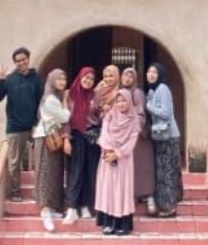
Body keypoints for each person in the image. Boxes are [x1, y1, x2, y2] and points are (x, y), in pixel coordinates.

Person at [0, 46, 44, 201]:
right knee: (14, 163)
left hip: (34, 127)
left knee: (40, 162)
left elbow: (41, 101)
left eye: (23, 59)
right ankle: (15, 192)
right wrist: (0, 81)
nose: (21, 63)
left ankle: (40, 192)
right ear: (15, 63)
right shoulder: (9, 79)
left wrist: (38, 122)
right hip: (15, 128)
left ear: (28, 59)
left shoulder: (36, 79)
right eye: (18, 61)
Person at [95, 88, 141, 236]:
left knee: (122, 189)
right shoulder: (109, 116)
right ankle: (109, 223)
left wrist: (118, 154)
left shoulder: (133, 120)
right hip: (107, 157)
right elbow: (103, 134)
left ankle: (123, 225)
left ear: (128, 102)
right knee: (108, 189)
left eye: (124, 101)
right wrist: (108, 150)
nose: (121, 104)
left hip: (124, 161)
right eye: (118, 101)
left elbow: (131, 143)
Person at [33, 69, 71, 232]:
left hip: (53, 138)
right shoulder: (51, 99)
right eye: (59, 79)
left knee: (54, 174)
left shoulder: (54, 97)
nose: (62, 82)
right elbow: (65, 117)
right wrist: (66, 101)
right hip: (46, 139)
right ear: (52, 81)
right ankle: (45, 211)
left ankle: (52, 208)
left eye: (64, 79)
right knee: (45, 174)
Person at [64, 67, 101, 224]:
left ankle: (86, 206)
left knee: (89, 172)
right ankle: (72, 208)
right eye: (86, 77)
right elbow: (65, 118)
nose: (88, 81)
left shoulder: (95, 96)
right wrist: (66, 138)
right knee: (75, 172)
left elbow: (100, 116)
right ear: (80, 77)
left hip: (92, 137)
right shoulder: (69, 95)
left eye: (91, 79)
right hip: (76, 136)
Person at [145, 63, 183, 217]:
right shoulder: (153, 91)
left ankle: (170, 207)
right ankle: (167, 203)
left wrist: (149, 106)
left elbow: (166, 113)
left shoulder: (163, 89)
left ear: (160, 74)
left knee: (167, 171)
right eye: (149, 71)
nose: (151, 74)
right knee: (164, 170)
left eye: (155, 72)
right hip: (160, 136)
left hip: (169, 136)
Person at [121, 67, 155, 213]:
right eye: (125, 76)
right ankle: (134, 196)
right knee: (131, 168)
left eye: (130, 76)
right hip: (126, 136)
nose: (127, 79)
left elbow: (141, 114)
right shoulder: (121, 93)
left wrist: (135, 129)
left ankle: (149, 196)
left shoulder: (137, 93)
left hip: (138, 137)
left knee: (143, 168)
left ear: (134, 79)